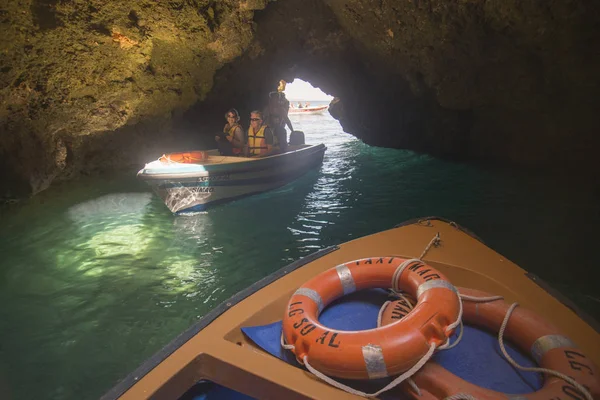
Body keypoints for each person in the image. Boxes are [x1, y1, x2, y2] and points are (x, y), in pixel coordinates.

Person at [264, 80, 294, 153]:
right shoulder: (267, 108)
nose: (276, 100)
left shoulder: (281, 109)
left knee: (282, 131)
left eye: (277, 98)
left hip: (278, 128)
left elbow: (287, 120)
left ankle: (283, 150)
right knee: (279, 131)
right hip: (268, 128)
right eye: (274, 98)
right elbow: (263, 119)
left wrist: (292, 131)